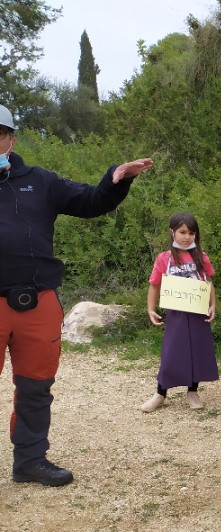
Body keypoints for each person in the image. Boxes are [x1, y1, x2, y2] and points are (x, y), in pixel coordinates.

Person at [0, 102, 152, 487]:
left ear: (11, 139)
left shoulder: (41, 181)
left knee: (36, 386)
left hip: (37, 302)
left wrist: (115, 179)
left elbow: (89, 201)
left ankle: (30, 461)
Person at [142, 213, 219, 413]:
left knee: (196, 351)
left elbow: (208, 282)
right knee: (171, 352)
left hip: (197, 311)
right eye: (183, 232)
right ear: (172, 232)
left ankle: (192, 391)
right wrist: (151, 308)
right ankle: (160, 393)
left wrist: (213, 305)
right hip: (175, 313)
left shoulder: (201, 257)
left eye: (191, 233)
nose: (187, 237)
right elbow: (154, 285)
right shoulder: (164, 258)